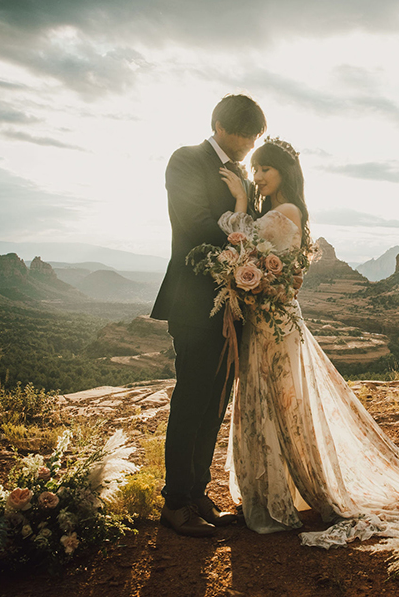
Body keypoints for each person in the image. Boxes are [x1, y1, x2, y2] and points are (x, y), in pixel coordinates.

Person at [218, 137, 399, 540]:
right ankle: (273, 492)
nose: (257, 178)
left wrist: (239, 201)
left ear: (283, 172)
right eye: (254, 171)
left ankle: (279, 495)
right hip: (269, 319)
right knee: (272, 403)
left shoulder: (285, 210)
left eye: (264, 170)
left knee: (278, 403)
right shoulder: (285, 210)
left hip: (274, 323)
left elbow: (242, 247)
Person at [151, 94, 266, 537]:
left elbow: (254, 232)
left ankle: (197, 492)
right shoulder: (186, 161)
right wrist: (240, 209)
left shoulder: (244, 175)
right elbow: (195, 221)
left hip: (235, 302)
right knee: (191, 399)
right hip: (194, 301)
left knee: (215, 402)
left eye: (254, 136)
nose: (248, 142)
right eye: (242, 134)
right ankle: (174, 502)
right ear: (219, 125)